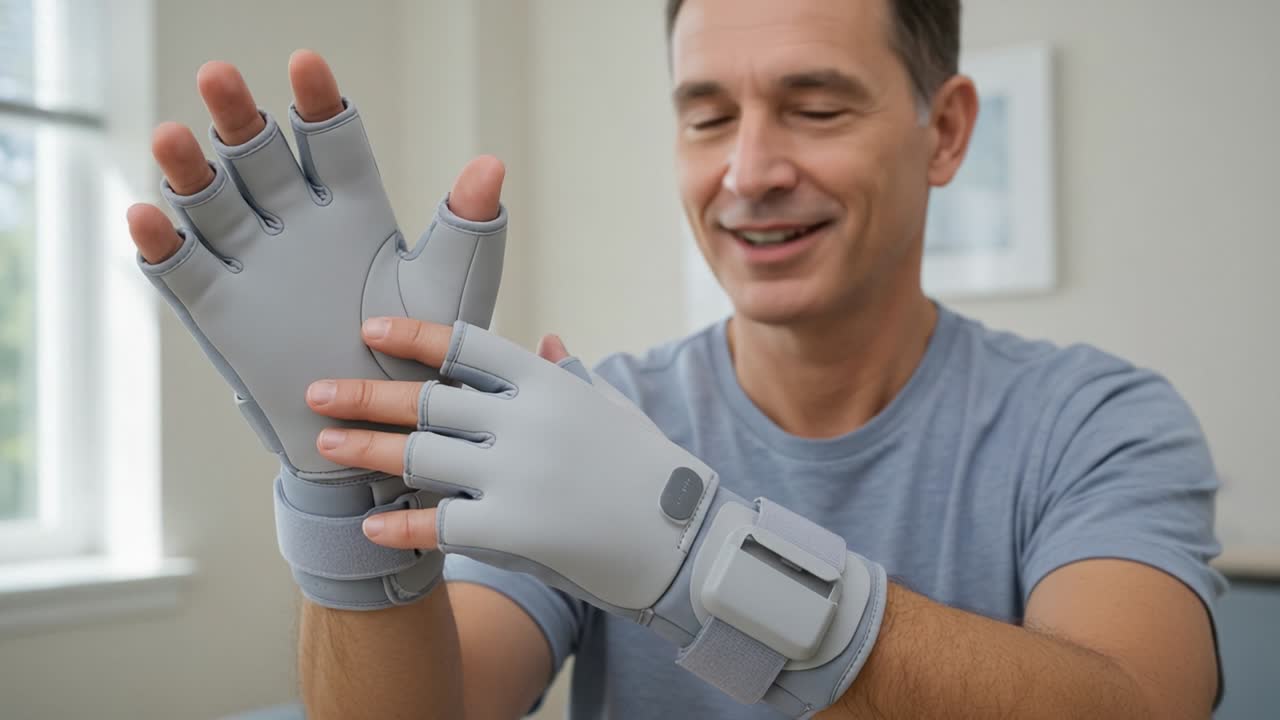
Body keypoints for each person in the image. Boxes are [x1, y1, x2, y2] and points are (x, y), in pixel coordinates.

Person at [126, 0, 1224, 717]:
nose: (748, 171)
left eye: (814, 107)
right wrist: (349, 475)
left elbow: (1140, 705)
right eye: (706, 118)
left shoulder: (1094, 420)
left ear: (943, 131)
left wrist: (701, 556)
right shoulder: (591, 425)